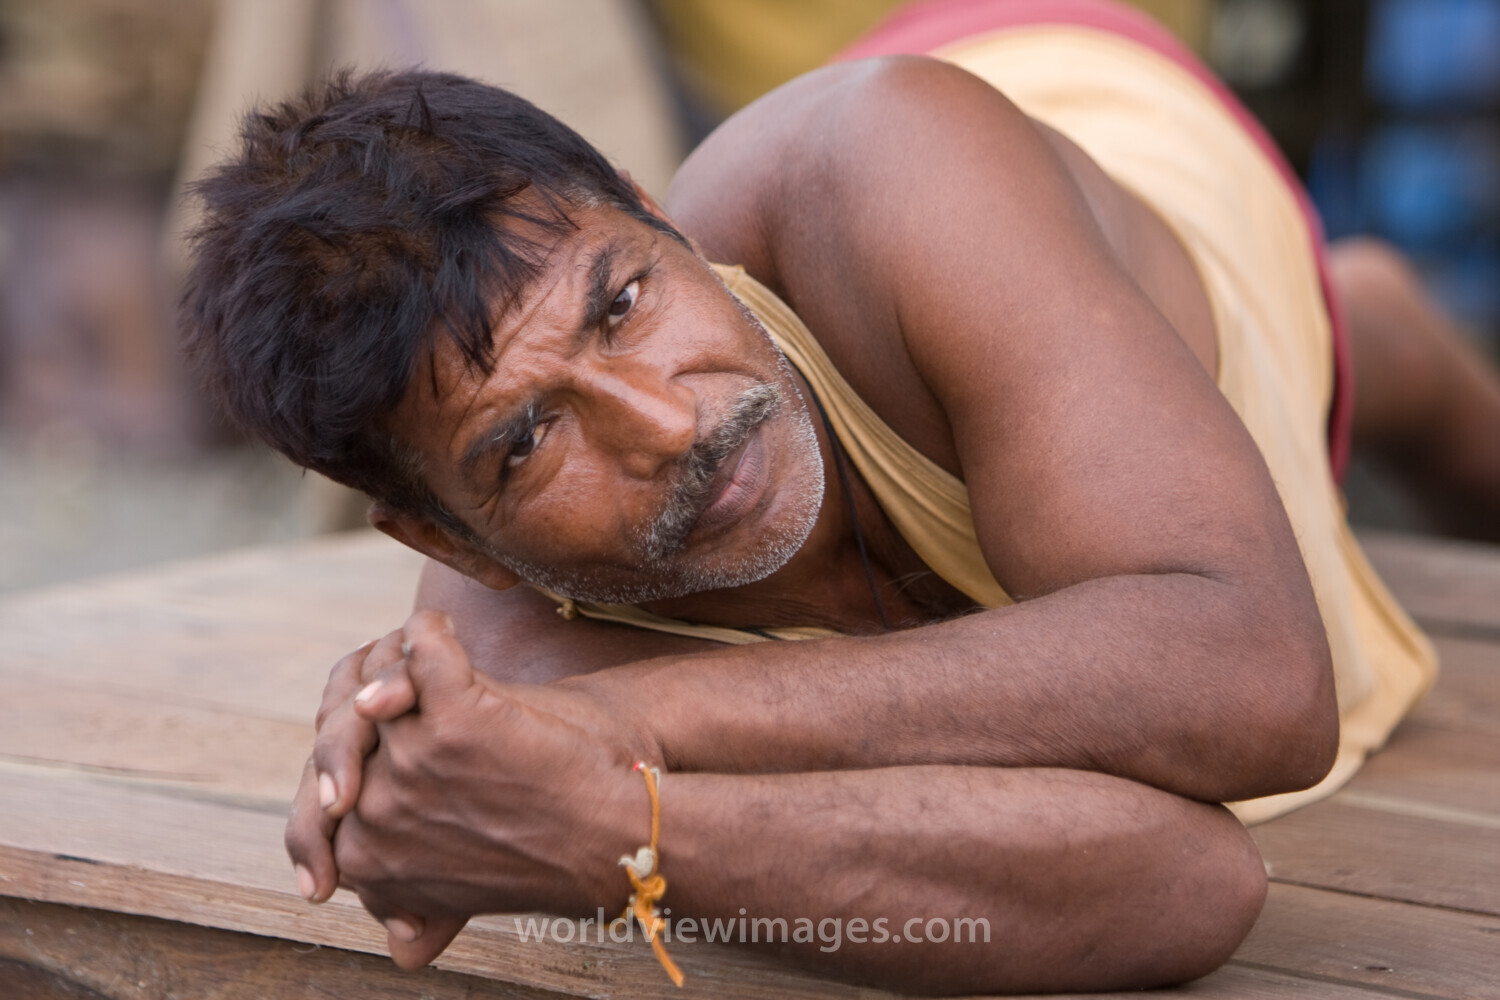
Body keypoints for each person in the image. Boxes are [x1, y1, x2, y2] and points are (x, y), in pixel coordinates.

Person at [181, 0, 1498, 993]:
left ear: (663, 213)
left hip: (1032, 139)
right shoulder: (509, 651)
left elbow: (1253, 681)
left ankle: (1371, 322)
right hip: (950, 247)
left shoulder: (887, 168)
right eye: (526, 441)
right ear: (442, 538)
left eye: (626, 304)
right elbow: (1185, 883)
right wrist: (608, 826)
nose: (666, 421)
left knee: (1327, 353)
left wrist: (629, 723)